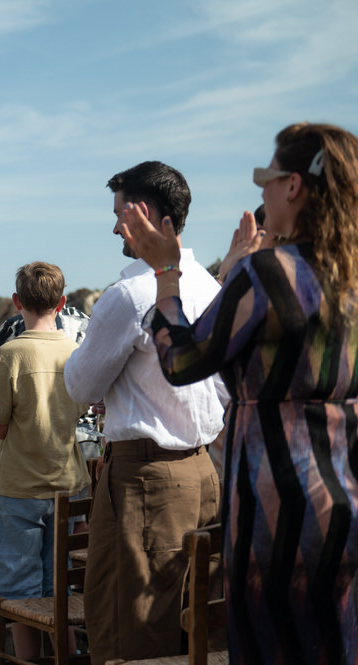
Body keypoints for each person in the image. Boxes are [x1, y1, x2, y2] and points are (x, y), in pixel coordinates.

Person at [119, 122, 358, 665]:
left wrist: (166, 271)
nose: (261, 193)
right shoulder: (349, 280)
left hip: (277, 507)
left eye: (265, 179)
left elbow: (183, 359)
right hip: (346, 499)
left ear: (293, 185)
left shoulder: (268, 274)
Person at [63, 162, 227, 664]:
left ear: (149, 216)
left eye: (120, 214)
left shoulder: (130, 295)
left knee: (130, 627)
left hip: (144, 478)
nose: (114, 227)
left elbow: (79, 384)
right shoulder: (213, 288)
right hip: (203, 470)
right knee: (194, 624)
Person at [0, 262, 90, 661]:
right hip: (70, 484)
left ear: (16, 302)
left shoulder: (9, 354)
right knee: (60, 591)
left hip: (21, 487)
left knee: (20, 597)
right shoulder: (76, 352)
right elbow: (82, 409)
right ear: (61, 302)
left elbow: (0, 428)